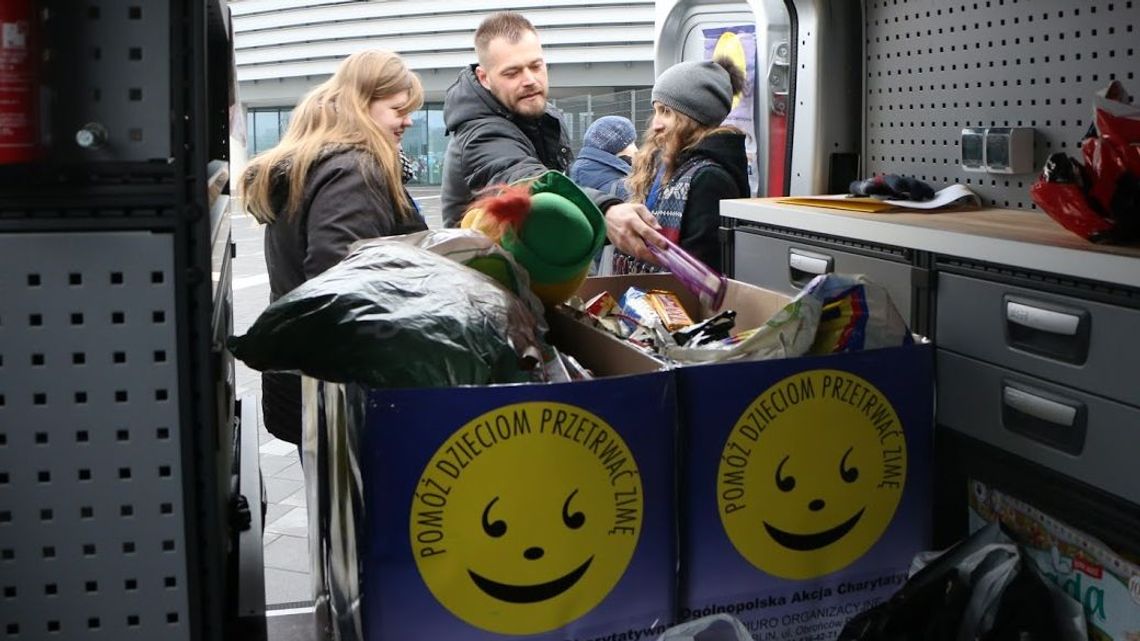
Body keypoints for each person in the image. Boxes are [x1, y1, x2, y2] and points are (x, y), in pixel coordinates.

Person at [240, 50, 427, 451]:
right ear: (363, 106)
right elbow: (340, 286)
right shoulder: (355, 171)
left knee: (329, 509)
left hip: (310, 384)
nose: (408, 120)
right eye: (398, 109)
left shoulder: (318, 163)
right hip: (344, 394)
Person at [440, 11, 664, 262]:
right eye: (512, 73)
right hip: (487, 283)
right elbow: (521, 177)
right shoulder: (478, 130)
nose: (529, 80)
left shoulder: (544, 117)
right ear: (484, 78)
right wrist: (604, 209)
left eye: (536, 66)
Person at [614, 57, 749, 275]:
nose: (655, 124)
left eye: (666, 111)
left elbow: (701, 272)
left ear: (694, 116)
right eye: (655, 111)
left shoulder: (709, 178)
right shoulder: (670, 167)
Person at [569, 115, 637, 200]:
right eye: (632, 143)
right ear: (617, 147)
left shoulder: (569, 179)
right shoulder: (624, 188)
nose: (636, 149)